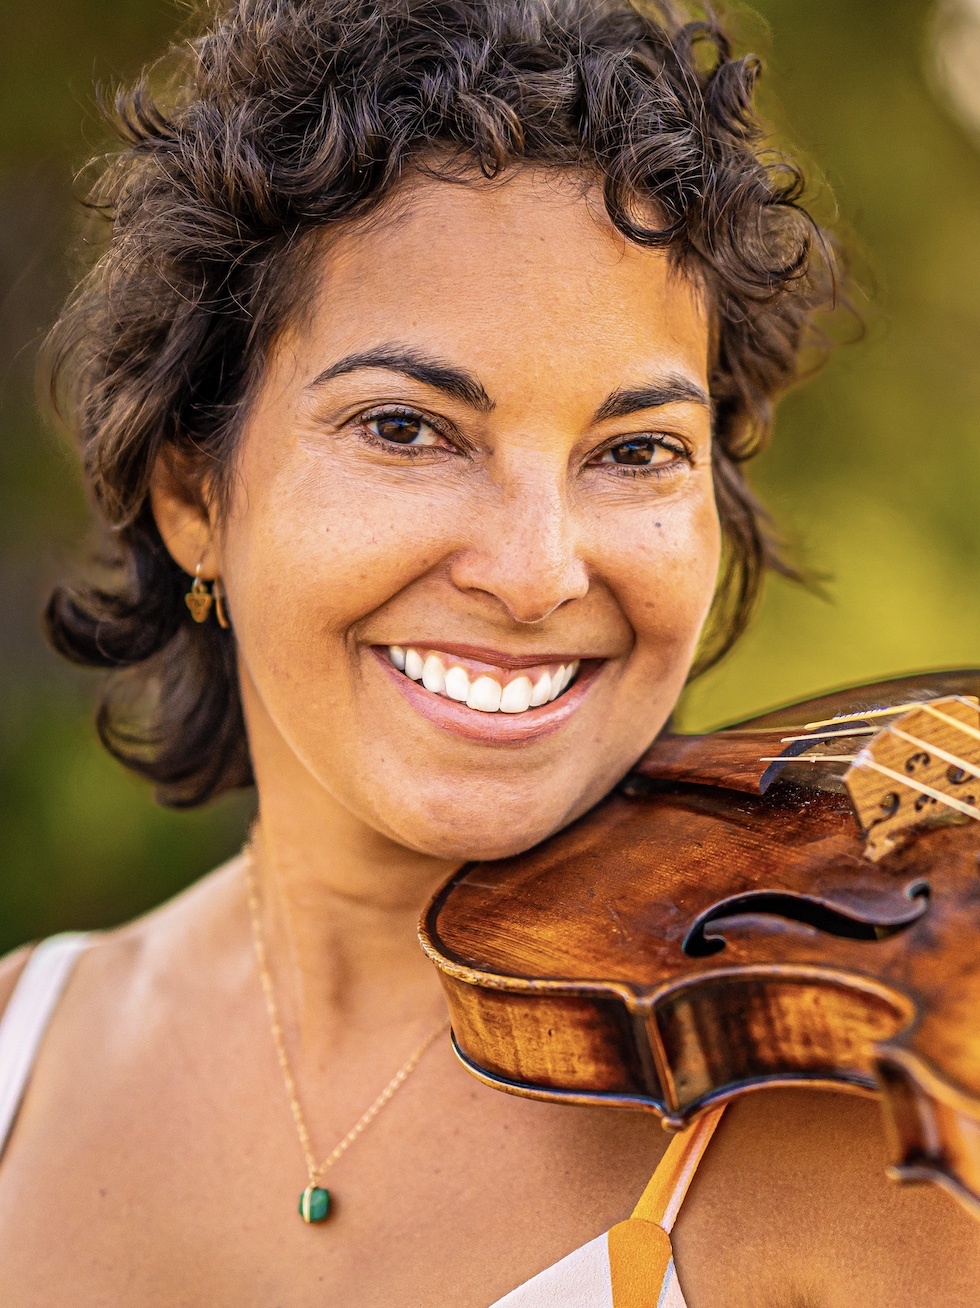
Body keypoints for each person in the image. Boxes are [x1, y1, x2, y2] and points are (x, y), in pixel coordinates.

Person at [1, 0, 977, 1303]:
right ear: (195, 497)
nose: (532, 572)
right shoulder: (21, 1050)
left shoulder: (865, 1144)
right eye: (408, 429)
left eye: (637, 450)